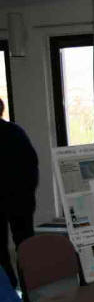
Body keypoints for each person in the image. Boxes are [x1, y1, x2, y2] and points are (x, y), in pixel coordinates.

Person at [0, 99, 38, 288]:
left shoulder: (15, 132)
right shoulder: (16, 131)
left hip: (11, 198)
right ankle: (31, 284)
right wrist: (28, 193)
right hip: (21, 199)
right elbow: (32, 165)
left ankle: (9, 287)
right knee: (25, 244)